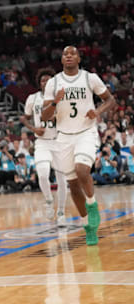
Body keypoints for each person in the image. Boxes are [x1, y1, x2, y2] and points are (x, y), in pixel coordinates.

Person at [41, 46, 116, 245]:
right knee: (73, 184)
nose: (69, 56)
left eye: (72, 53)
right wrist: (55, 103)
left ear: (79, 58)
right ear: (61, 59)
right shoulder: (54, 82)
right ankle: (88, 226)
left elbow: (110, 99)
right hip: (64, 136)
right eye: (65, 54)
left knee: (82, 170)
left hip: (86, 132)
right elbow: (44, 116)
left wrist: (98, 111)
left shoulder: (90, 78)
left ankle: (92, 206)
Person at [21, 67, 69, 226]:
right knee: (42, 174)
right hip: (41, 142)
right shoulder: (32, 98)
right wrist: (34, 129)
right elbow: (24, 118)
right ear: (39, 83)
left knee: (62, 180)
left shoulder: (61, 98)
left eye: (48, 80)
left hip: (59, 140)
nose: (45, 82)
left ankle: (61, 212)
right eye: (43, 80)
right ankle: (49, 200)